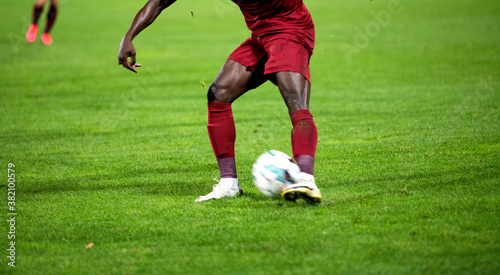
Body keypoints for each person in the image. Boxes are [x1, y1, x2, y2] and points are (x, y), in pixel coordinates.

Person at [118, 0, 322, 204]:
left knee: (295, 101)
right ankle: (229, 183)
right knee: (218, 93)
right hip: (261, 35)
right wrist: (128, 37)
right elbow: (159, 2)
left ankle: (306, 179)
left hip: (291, 29)